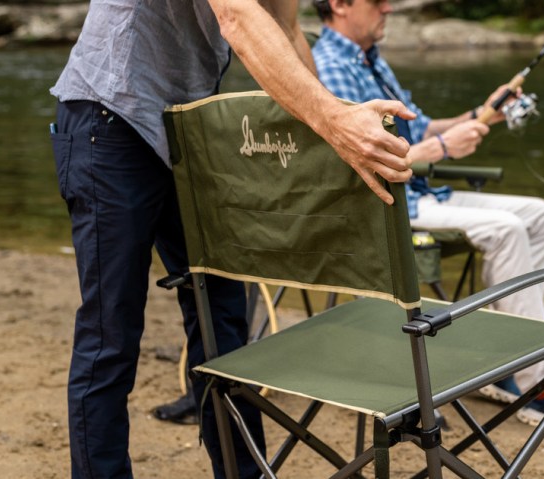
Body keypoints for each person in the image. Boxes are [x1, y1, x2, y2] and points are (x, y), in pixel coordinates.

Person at [48, 1, 415, 478]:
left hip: (183, 126)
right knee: (111, 333)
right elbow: (237, 16)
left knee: (222, 319)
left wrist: (339, 120)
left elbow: (284, 26)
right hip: (109, 115)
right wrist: (332, 122)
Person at [310, 0, 544, 433]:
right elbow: (360, 162)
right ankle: (539, 386)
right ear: (340, 5)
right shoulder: (331, 67)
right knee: (508, 230)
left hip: (421, 192)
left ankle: (508, 364)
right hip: (386, 206)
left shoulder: (370, 61)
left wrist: (480, 113)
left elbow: (423, 127)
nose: (388, 8)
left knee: (541, 215)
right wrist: (440, 150)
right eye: (377, 1)